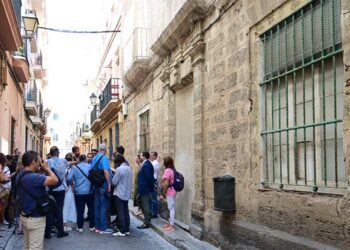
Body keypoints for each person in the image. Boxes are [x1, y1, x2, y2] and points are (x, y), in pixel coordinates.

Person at [17, 151, 58, 250]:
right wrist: (47, 168)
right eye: (38, 161)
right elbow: (55, 180)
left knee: (27, 246)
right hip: (35, 218)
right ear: (33, 162)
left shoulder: (20, 175)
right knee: (35, 248)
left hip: (24, 215)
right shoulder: (34, 178)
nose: (40, 163)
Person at [45, 146, 69, 238]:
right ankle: (60, 231)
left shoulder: (47, 162)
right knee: (59, 209)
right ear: (58, 153)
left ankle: (48, 232)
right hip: (60, 189)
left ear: (50, 154)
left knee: (50, 210)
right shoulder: (63, 161)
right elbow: (69, 165)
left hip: (50, 189)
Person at [68, 154, 95, 233]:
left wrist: (73, 184)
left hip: (78, 192)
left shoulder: (75, 168)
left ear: (79, 160)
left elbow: (69, 179)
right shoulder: (90, 167)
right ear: (86, 159)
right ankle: (92, 226)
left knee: (80, 210)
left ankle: (80, 227)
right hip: (90, 191)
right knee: (91, 209)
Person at [92, 144, 113, 234]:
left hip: (96, 184)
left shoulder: (95, 158)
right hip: (103, 184)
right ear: (105, 150)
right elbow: (105, 171)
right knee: (103, 206)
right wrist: (109, 184)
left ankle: (97, 226)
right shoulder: (104, 158)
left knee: (97, 206)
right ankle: (103, 228)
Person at [111, 154, 132, 237]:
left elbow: (114, 182)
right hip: (126, 192)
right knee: (126, 211)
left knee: (120, 212)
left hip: (119, 193)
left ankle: (122, 230)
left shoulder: (119, 169)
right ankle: (127, 229)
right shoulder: (129, 168)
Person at [136, 151, 154, 229]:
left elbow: (149, 178)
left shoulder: (146, 165)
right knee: (141, 203)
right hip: (143, 188)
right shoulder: (145, 164)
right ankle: (147, 219)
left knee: (146, 205)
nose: (140, 157)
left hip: (145, 188)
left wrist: (149, 187)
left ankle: (146, 222)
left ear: (144, 156)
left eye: (141, 155)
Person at [160, 156, 177, 232]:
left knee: (171, 208)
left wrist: (163, 194)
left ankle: (172, 226)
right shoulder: (172, 170)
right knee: (171, 207)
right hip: (172, 190)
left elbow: (166, 183)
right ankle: (170, 223)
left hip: (169, 191)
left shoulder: (167, 170)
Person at [62, 153, 76, 232]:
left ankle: (65, 223)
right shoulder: (73, 169)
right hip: (69, 189)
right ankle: (65, 224)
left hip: (64, 189)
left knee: (65, 207)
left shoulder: (62, 168)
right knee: (68, 207)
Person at [149, 151, 159, 218]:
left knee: (153, 197)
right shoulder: (153, 163)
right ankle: (152, 211)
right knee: (152, 197)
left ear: (155, 156)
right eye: (150, 155)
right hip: (152, 180)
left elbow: (151, 171)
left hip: (154, 181)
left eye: (152, 155)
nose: (150, 156)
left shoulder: (155, 163)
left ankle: (154, 213)